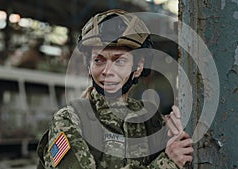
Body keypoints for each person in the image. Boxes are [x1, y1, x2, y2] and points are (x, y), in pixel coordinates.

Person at [36, 9, 193, 169]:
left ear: (138, 67)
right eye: (98, 60)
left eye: (119, 61)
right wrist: (167, 164)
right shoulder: (70, 120)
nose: (107, 71)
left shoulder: (150, 121)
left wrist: (178, 136)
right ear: (89, 66)